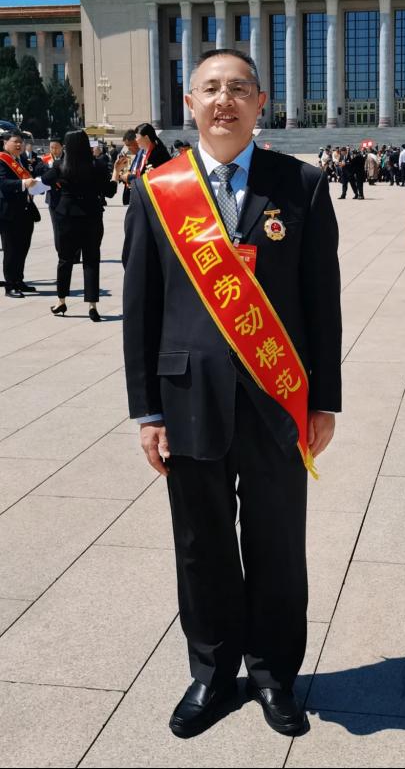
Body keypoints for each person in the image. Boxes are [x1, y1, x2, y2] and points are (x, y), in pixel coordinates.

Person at [122, 48, 341, 739]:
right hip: (186, 398)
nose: (225, 100)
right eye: (210, 88)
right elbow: (141, 309)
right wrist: (147, 411)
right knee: (201, 543)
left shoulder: (300, 184)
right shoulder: (158, 190)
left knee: (278, 542)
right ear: (189, 103)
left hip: (278, 398)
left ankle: (274, 673)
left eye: (238, 88)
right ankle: (212, 673)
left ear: (260, 102)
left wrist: (324, 401)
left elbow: (321, 302)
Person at [41, 130, 119, 321]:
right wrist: (116, 172)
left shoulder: (60, 165)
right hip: (91, 216)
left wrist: (58, 180)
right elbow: (110, 191)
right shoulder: (97, 165)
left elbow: (44, 179)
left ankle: (61, 301)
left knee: (65, 260)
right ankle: (92, 306)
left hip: (67, 216)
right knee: (91, 260)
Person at [0, 129, 41, 297]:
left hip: (25, 211)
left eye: (21, 142)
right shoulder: (2, 160)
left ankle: (19, 280)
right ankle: (10, 285)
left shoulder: (22, 159)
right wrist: (23, 183)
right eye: (15, 141)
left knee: (22, 248)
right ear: (5, 142)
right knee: (11, 250)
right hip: (8, 213)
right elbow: (3, 183)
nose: (19, 144)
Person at [117, 129, 145, 205]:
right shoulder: (138, 155)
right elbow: (132, 172)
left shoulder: (144, 155)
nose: (128, 148)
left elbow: (142, 176)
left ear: (136, 141)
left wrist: (127, 177)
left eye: (129, 145)